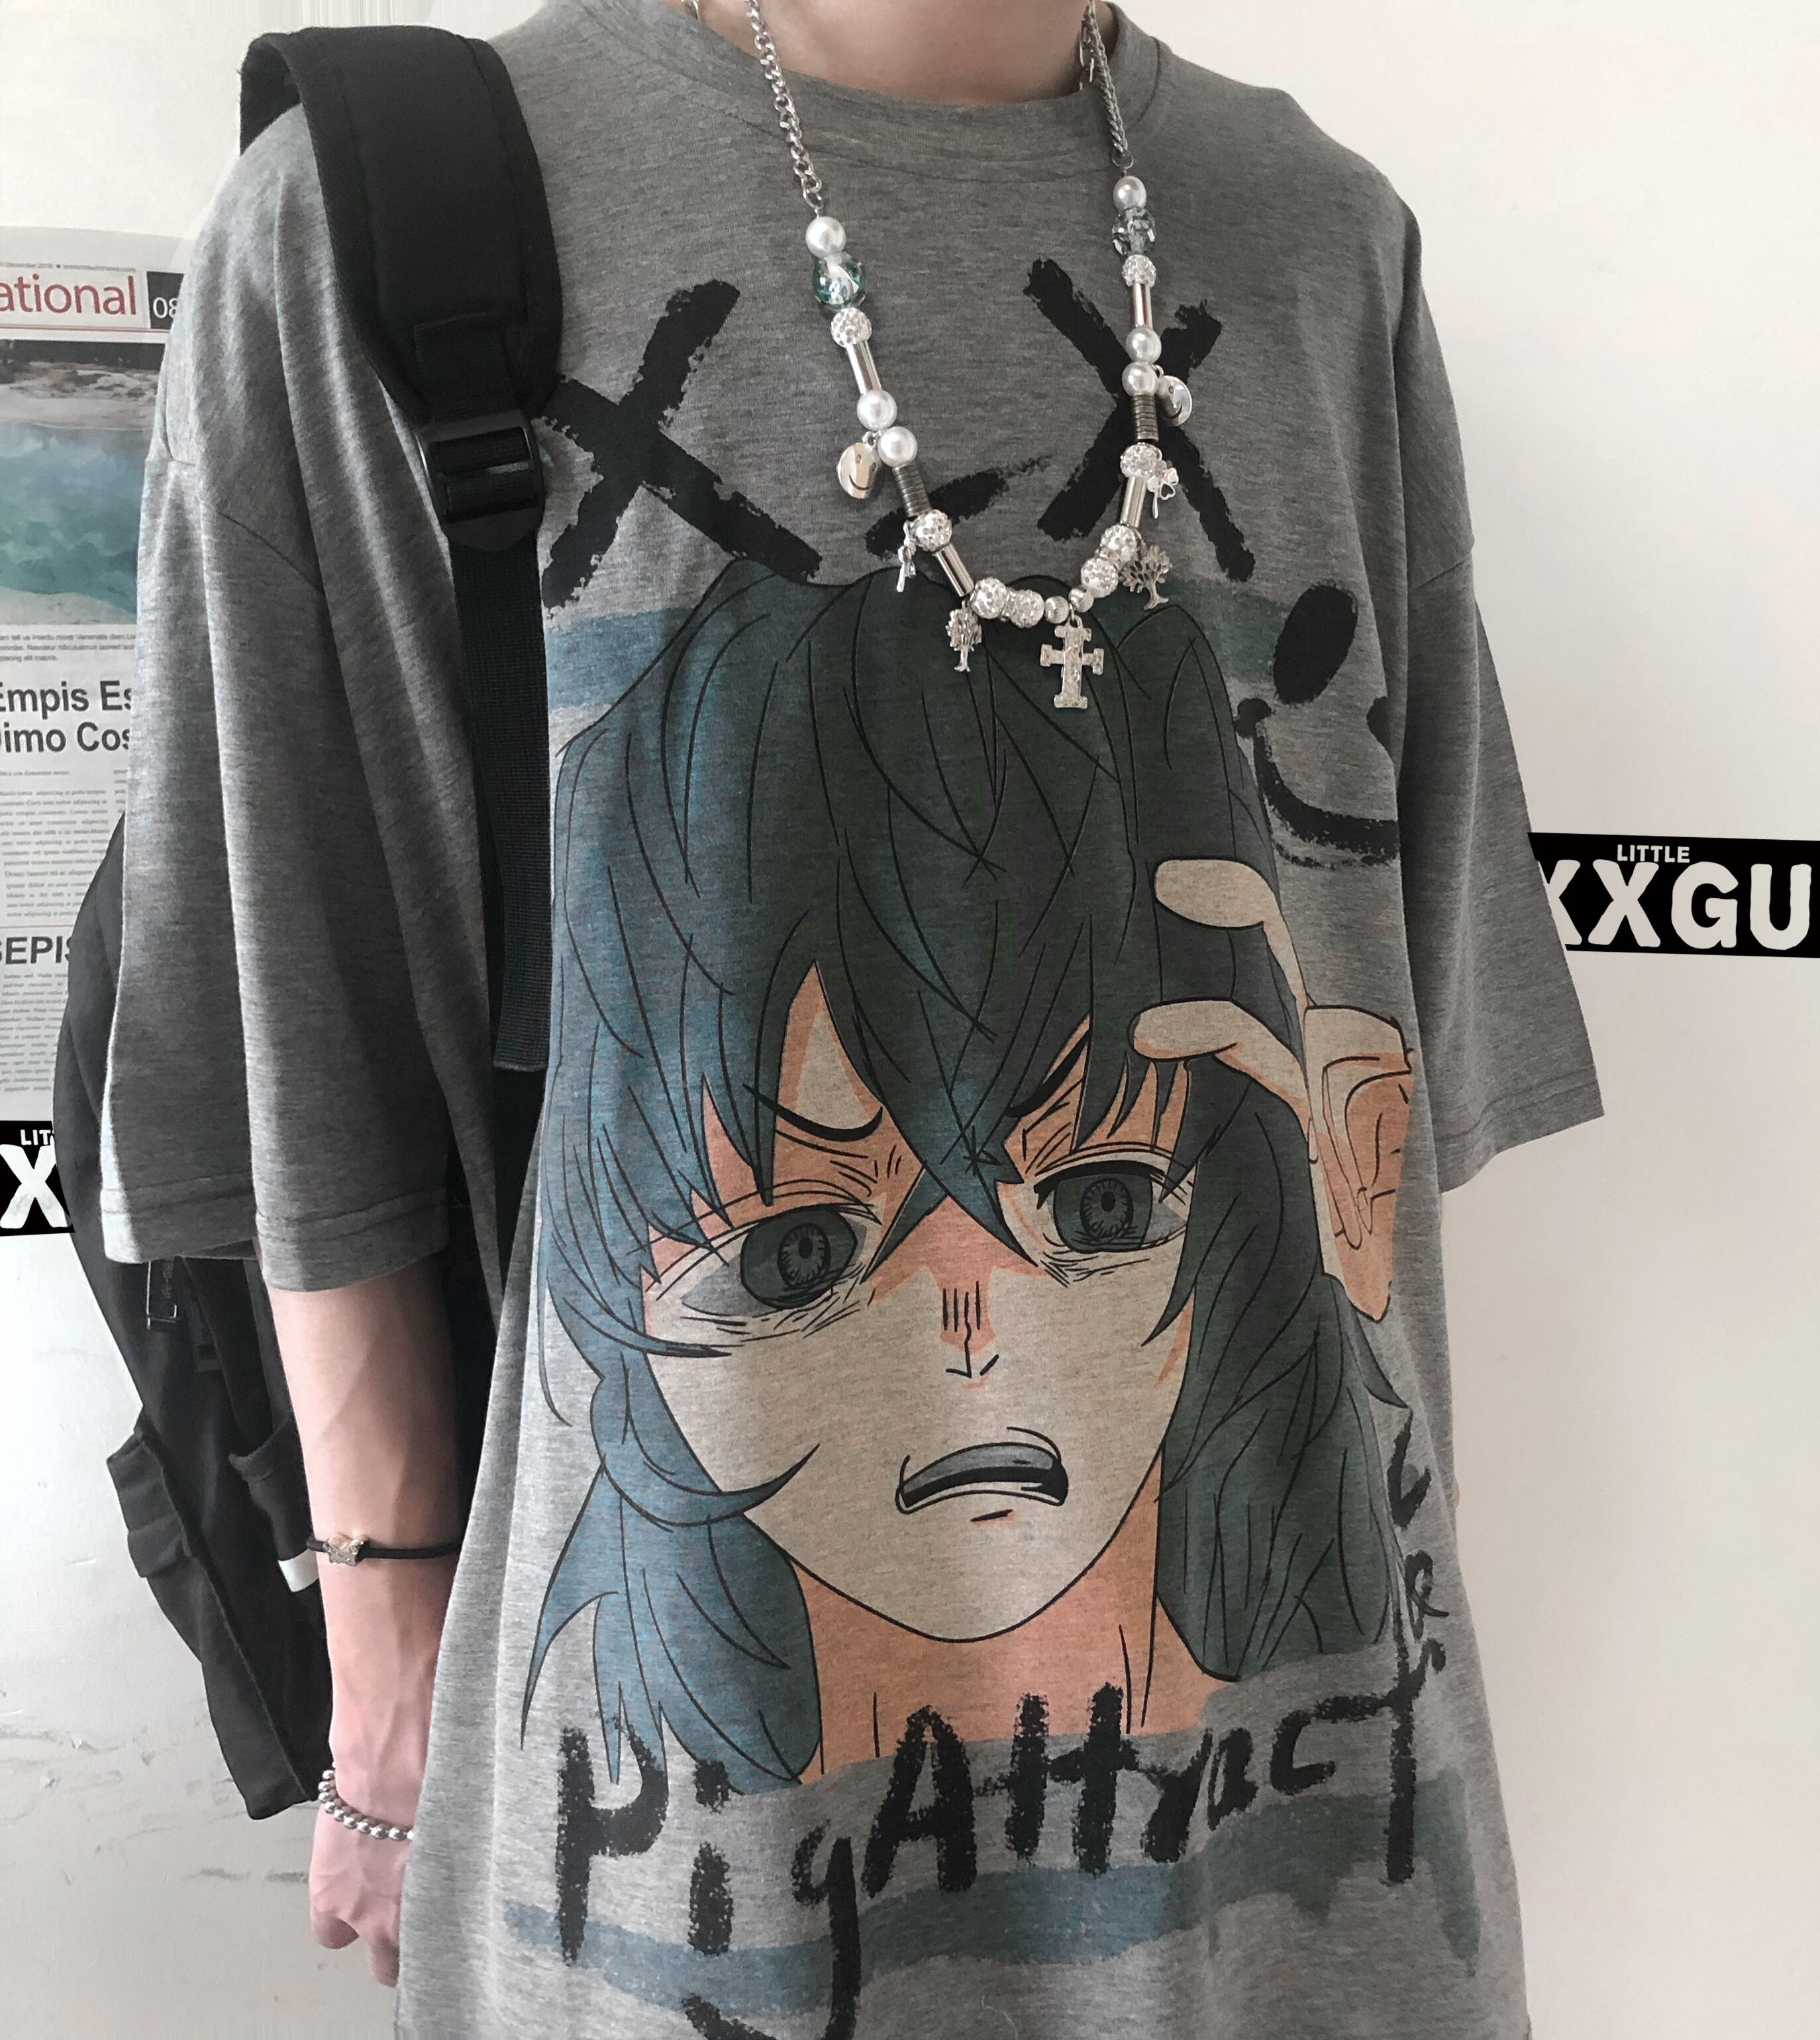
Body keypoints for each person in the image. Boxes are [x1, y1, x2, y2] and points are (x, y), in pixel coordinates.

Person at [102, 1, 1603, 2033]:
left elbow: (1396, 1098)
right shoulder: (377, 229)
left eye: (1098, 1208)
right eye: (806, 1245)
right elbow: (294, 1036)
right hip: (681, 1905)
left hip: (1311, 1912)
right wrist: (380, 1641)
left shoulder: (1320, 236)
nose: (977, 1332)